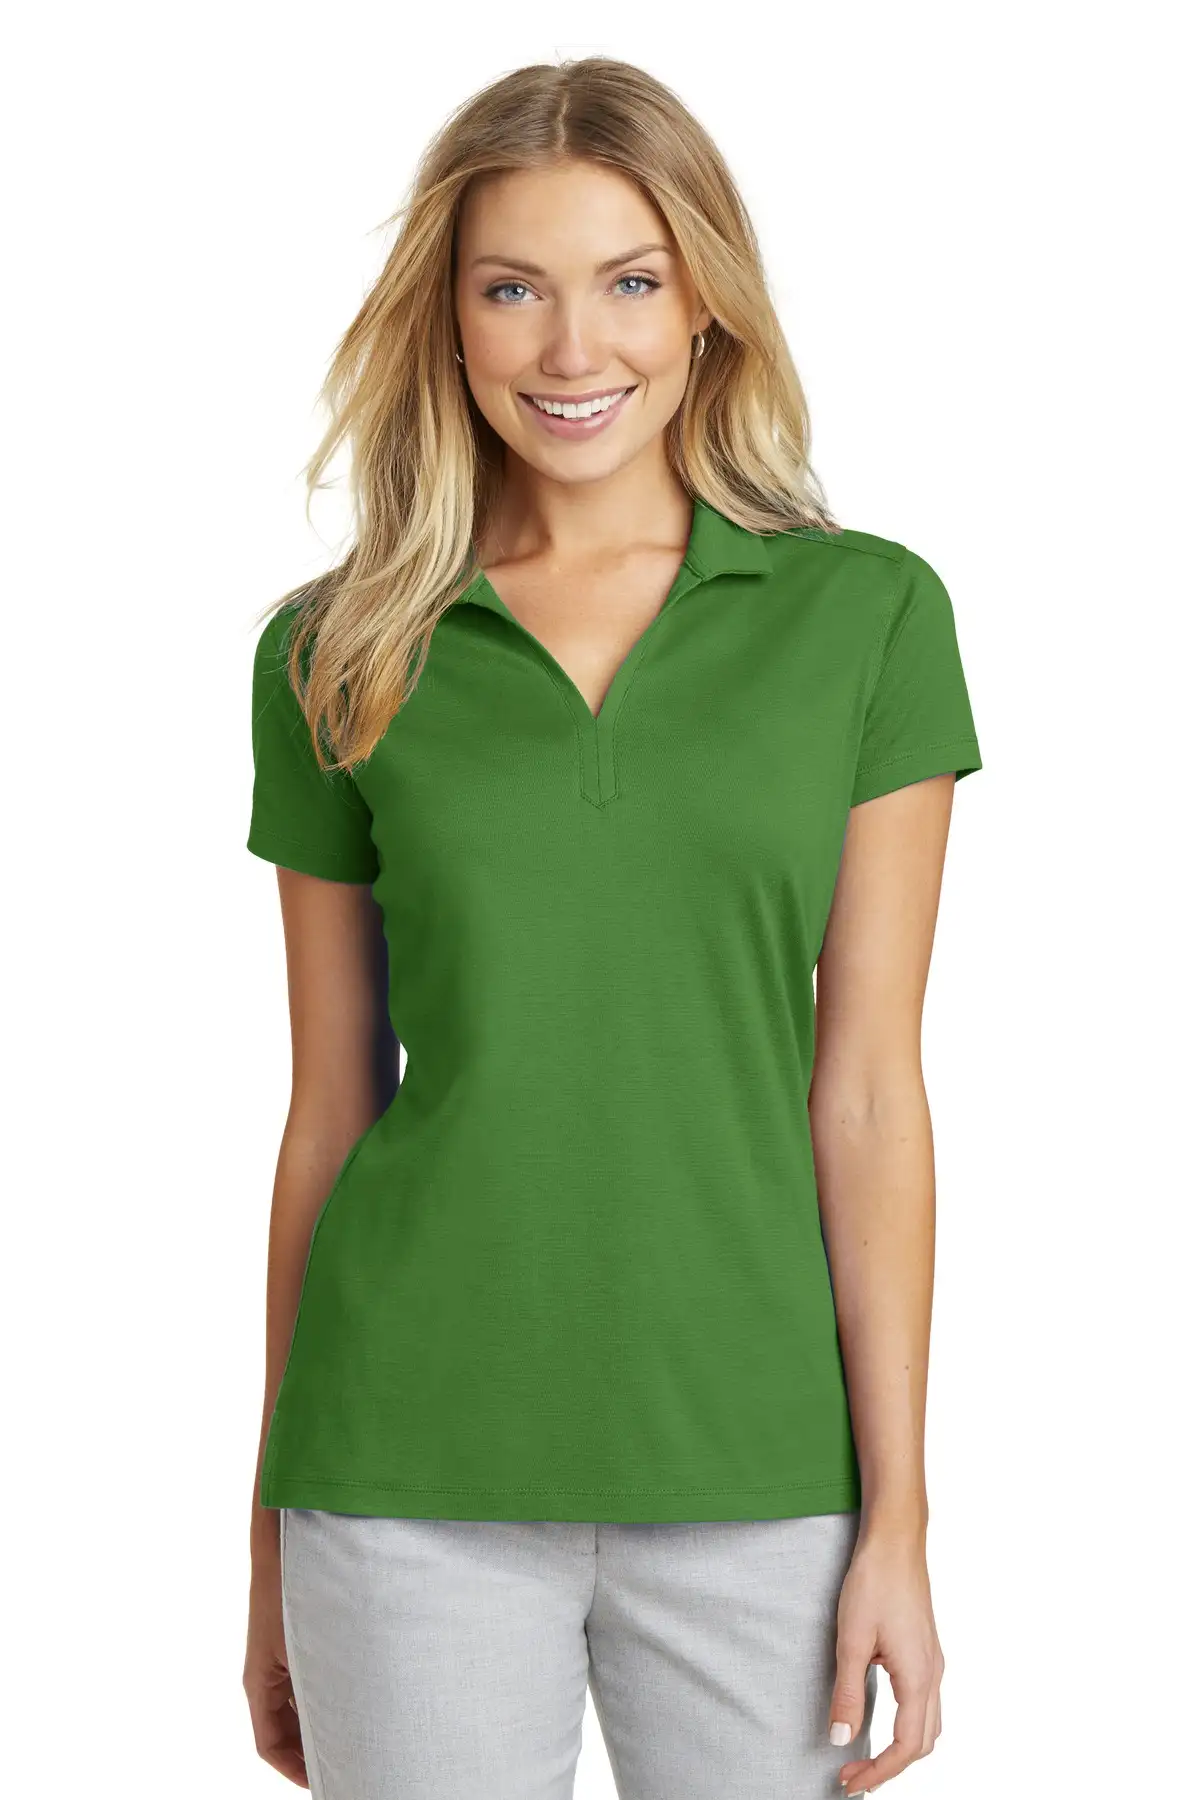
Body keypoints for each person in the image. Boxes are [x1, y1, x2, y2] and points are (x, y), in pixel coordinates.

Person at [241, 55, 983, 1800]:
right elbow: (329, 1113)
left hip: (760, 1476)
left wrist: (900, 1518)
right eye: (514, 289)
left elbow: (870, 1096)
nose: (574, 348)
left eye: (630, 282)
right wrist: (268, 1535)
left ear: (706, 301)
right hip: (401, 1473)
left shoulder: (866, 618)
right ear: (449, 323)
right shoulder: (338, 650)